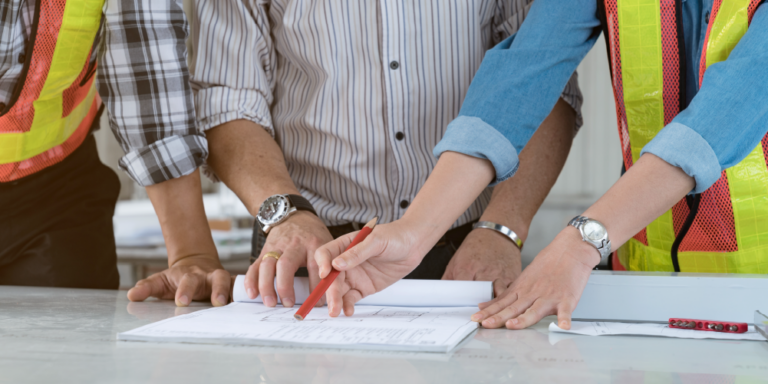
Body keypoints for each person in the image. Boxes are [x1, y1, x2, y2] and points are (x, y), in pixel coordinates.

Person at [316, 0, 768, 327]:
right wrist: (414, 232)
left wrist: (577, 244)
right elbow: (521, 77)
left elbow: (728, 111)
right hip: (642, 275)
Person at [170, 0, 584, 309]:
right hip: (303, 249)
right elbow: (226, 102)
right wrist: (286, 214)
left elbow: (543, 82)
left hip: (471, 250)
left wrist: (503, 227)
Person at [0, 0, 230, 299]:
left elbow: (146, 62)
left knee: (70, 338)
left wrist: (191, 254)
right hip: (55, 186)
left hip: (56, 193)